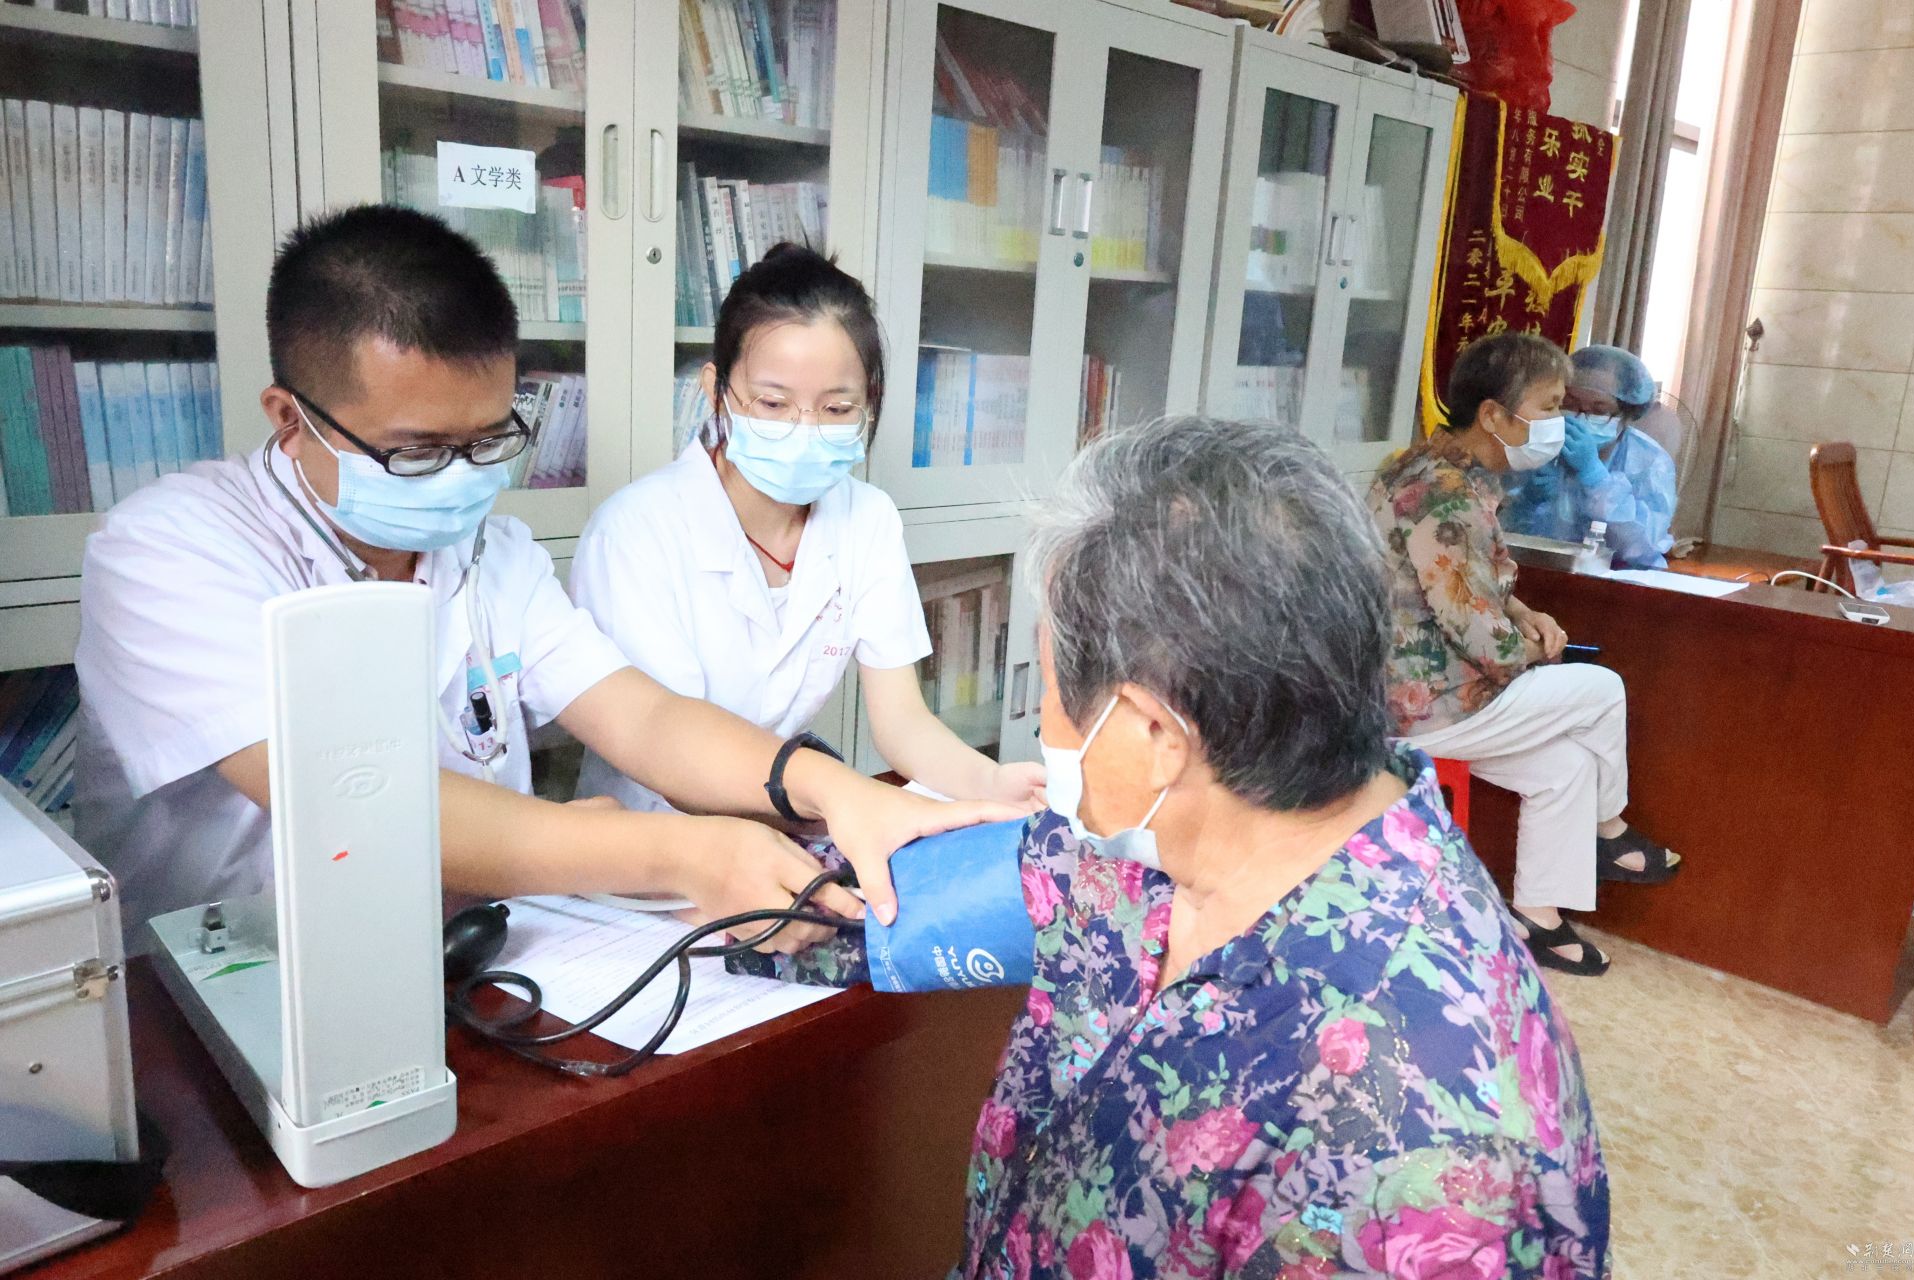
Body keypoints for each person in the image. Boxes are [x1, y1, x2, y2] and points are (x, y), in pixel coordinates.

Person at [743, 417, 1612, 1277]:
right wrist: (715, 864)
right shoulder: (1145, 849)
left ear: (1153, 733)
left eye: (1051, 691)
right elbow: (851, 906)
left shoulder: (1431, 1160)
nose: (1043, 725)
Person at [74, 205, 1009, 947]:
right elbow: (356, 799)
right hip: (234, 973)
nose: (463, 477)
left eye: (489, 440)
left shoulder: (496, 555)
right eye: (419, 450)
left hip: (469, 952)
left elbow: (642, 716)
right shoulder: (169, 553)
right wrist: (680, 849)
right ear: (291, 418)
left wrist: (828, 788)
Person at [569, 244, 1044, 813]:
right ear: (716, 391)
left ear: (869, 402)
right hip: (656, 832)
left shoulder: (867, 519)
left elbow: (902, 722)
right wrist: (845, 807)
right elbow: (671, 757)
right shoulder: (635, 533)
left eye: (837, 409)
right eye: (773, 403)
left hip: (790, 811)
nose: (805, 429)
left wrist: (992, 784)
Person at [1369, 331, 1680, 977]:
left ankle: (1538, 919)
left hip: (1424, 689)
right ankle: (1610, 832)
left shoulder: (1435, 468)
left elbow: (1473, 580)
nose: (1561, 423)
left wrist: (1524, 612)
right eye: (1551, 406)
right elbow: (1480, 636)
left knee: (1565, 767)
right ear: (1494, 415)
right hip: (1417, 704)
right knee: (1602, 688)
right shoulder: (1444, 494)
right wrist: (1535, 652)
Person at [1501, 343, 1678, 569]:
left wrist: (1595, 476)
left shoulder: (1649, 460)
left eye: (1599, 410)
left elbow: (1643, 547)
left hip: (1618, 579)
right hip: (1541, 571)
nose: (1580, 418)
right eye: (1570, 404)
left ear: (1627, 414)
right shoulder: (1535, 443)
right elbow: (1501, 534)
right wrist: (1527, 501)